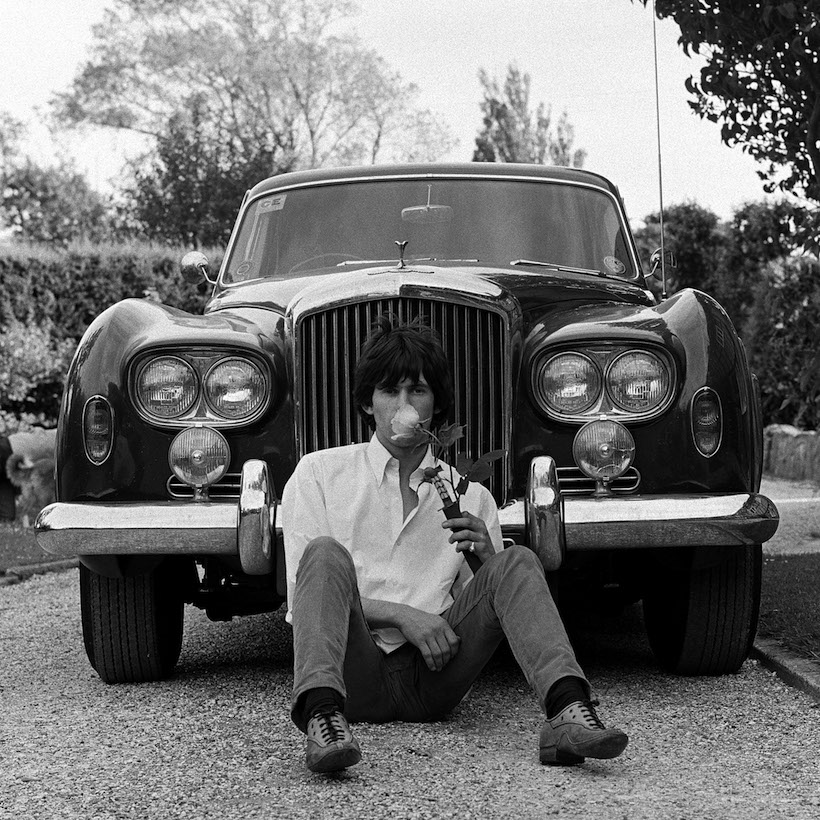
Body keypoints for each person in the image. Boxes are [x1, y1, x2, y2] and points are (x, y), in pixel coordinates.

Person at [281, 318, 628, 773]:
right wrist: (406, 616)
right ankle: (323, 721)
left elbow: (482, 611)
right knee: (324, 553)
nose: (403, 405)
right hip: (355, 675)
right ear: (368, 403)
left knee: (516, 559)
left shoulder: (468, 495)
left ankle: (568, 711)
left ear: (436, 405)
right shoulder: (318, 474)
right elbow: (303, 599)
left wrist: (488, 558)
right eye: (390, 391)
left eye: (417, 391)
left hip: (434, 677)